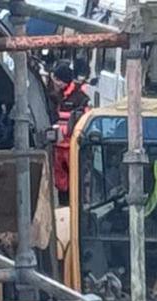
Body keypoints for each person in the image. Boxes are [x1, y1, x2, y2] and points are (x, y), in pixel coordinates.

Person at [50, 60, 89, 200]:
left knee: (75, 176)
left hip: (72, 144)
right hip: (58, 145)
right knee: (60, 178)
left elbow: (84, 119)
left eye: (58, 80)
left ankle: (74, 202)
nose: (56, 83)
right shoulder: (56, 96)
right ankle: (63, 201)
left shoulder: (80, 97)